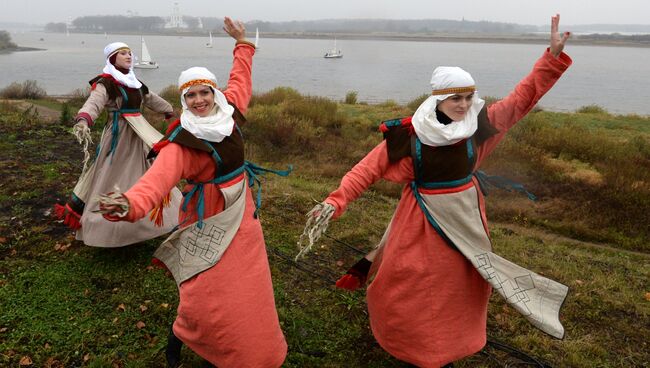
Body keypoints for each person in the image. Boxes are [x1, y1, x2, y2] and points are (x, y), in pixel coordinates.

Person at [298, 14, 572, 368]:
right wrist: (336, 201)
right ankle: (411, 345)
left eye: (468, 97)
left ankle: (452, 344)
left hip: (466, 217)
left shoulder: (478, 126)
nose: (463, 104)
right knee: (409, 281)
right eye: (455, 98)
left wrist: (550, 58)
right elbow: (367, 170)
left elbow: (523, 99)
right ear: (438, 99)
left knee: (461, 284)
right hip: (420, 220)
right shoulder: (410, 136)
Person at [97, 17, 288, 368]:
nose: (199, 100)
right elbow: (157, 180)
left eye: (204, 92)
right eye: (191, 95)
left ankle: (252, 346)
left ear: (214, 94)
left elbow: (240, 79)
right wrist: (130, 204)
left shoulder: (229, 113)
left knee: (247, 286)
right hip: (206, 219)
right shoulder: (182, 142)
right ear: (184, 99)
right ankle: (183, 335)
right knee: (204, 288)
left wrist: (242, 42)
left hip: (242, 215)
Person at [54, 40, 182, 247]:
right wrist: (85, 118)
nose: (129, 56)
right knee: (112, 174)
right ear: (112, 59)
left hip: (139, 134)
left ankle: (152, 218)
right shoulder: (107, 83)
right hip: (118, 137)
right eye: (123, 53)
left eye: (130, 53)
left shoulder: (135, 83)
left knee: (147, 171)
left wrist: (169, 111)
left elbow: (151, 99)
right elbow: (94, 102)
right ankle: (109, 226)